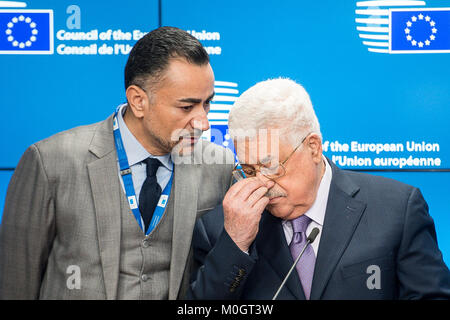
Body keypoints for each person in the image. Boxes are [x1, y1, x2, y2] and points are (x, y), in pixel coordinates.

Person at [0, 26, 234, 299]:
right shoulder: (50, 161)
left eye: (207, 104)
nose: (203, 122)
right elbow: (15, 283)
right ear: (138, 101)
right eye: (186, 107)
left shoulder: (220, 166)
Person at [187, 78, 450, 300]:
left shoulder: (397, 209)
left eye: (271, 166)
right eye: (250, 170)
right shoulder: (220, 230)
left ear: (313, 147)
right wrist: (235, 244)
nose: (262, 183)